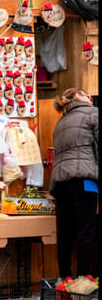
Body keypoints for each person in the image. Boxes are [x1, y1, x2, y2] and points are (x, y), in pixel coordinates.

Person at [50, 88, 98, 277]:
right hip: (84, 179)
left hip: (61, 183)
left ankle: (64, 281)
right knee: (86, 231)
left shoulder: (61, 121)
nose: (90, 99)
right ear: (78, 97)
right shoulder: (93, 113)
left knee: (66, 232)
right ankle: (83, 281)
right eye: (87, 95)